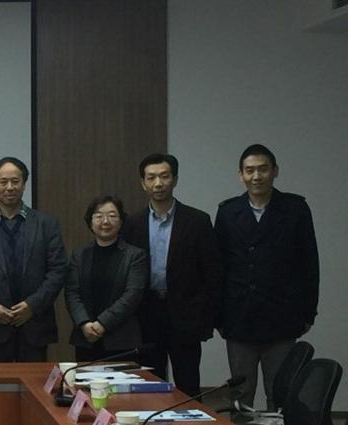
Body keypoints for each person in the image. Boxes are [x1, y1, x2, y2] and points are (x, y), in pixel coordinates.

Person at [215, 144, 319, 409]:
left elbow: (309, 265)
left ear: (275, 171)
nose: (256, 176)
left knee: (280, 393)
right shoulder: (228, 212)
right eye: (250, 170)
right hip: (239, 317)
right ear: (240, 175)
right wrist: (218, 316)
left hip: (281, 316)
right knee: (241, 395)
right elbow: (219, 268)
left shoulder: (295, 209)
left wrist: (308, 312)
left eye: (263, 169)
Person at [122, 154, 222, 396]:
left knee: (188, 385)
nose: (158, 183)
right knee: (150, 387)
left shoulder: (197, 221)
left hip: (186, 316)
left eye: (164, 176)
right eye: (151, 178)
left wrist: (206, 316)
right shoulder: (132, 223)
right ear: (143, 183)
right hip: (146, 315)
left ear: (175, 180)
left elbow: (213, 273)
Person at [0, 157, 67, 362]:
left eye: (15, 181)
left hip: (34, 323)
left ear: (24, 184)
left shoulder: (46, 224)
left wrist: (32, 305)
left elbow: (58, 270)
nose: (10, 187)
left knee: (33, 381)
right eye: (3, 182)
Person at [65, 195, 147, 361]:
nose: (105, 221)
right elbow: (72, 292)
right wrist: (84, 323)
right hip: (86, 338)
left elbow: (132, 295)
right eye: (99, 216)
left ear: (121, 221)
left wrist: (102, 323)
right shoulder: (79, 255)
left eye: (112, 215)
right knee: (84, 378)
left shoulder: (135, 256)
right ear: (90, 221)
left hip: (121, 340)